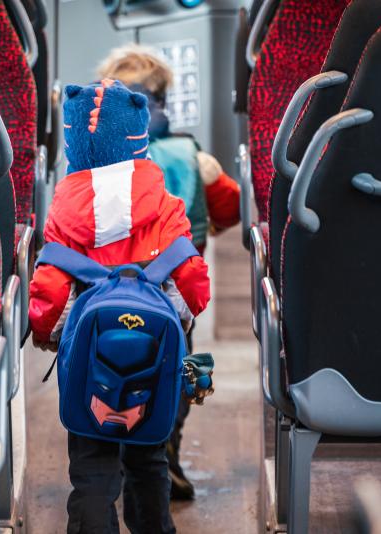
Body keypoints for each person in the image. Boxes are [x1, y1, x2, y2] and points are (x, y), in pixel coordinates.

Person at [29, 79, 211, 533]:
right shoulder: (165, 206)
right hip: (152, 365)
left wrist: (50, 337)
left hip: (89, 366)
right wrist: (181, 314)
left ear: (74, 141)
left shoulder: (62, 213)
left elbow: (49, 293)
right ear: (138, 136)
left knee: (91, 474)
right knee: (149, 465)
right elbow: (193, 283)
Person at [97, 43, 241, 499]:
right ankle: (165, 451)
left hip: (105, 299)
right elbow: (231, 209)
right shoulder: (192, 157)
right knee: (176, 376)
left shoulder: (94, 164)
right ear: (163, 103)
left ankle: (110, 452)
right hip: (175, 303)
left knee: (107, 372)